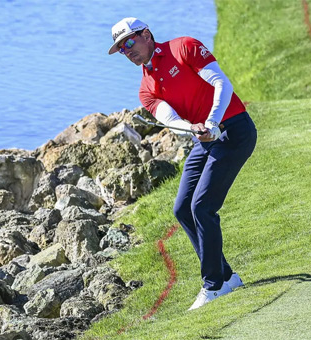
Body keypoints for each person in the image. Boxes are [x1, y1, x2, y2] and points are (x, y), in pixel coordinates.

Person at [108, 17, 257, 310]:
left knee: (202, 206)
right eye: (121, 49)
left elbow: (220, 83)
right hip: (205, 138)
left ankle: (213, 285)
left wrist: (213, 121)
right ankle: (226, 277)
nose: (128, 51)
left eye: (129, 42)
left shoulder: (183, 48)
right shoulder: (146, 88)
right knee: (182, 208)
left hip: (234, 130)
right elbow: (169, 118)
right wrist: (194, 128)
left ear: (146, 35)